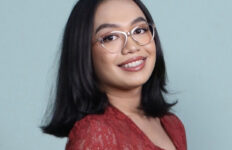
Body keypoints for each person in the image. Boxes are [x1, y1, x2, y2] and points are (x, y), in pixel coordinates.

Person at [40, 0, 187, 149]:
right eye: (110, 37)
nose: (132, 47)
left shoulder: (172, 124)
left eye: (139, 30)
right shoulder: (94, 134)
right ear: (84, 52)